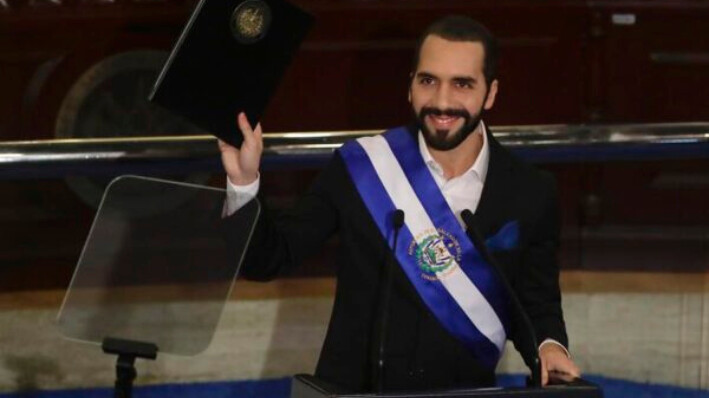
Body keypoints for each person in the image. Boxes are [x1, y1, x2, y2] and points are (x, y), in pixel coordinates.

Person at [219, 15, 580, 392]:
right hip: (357, 391)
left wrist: (549, 345)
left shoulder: (530, 191)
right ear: (410, 86)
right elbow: (266, 259)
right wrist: (243, 182)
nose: (442, 101)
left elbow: (536, 302)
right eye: (428, 81)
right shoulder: (361, 167)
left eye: (462, 84)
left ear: (490, 93)